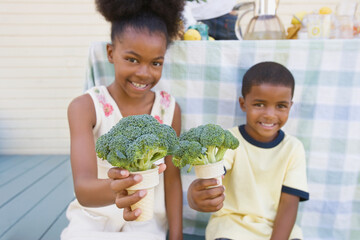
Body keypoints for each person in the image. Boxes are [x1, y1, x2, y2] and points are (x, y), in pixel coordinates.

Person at [61, 1, 184, 240]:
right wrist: (123, 187)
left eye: (156, 63)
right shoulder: (85, 107)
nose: (144, 73)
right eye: (132, 59)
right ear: (110, 53)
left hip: (144, 220)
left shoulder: (169, 109)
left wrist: (176, 236)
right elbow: (84, 189)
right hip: (93, 218)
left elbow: (171, 181)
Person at [187, 61, 310, 240]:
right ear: (243, 104)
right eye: (259, 104)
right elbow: (212, 176)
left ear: (290, 106)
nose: (269, 114)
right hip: (232, 225)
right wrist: (194, 195)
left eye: (281, 106)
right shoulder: (229, 140)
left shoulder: (293, 148)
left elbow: (289, 205)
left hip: (275, 228)